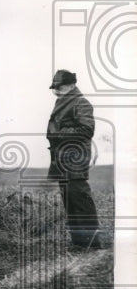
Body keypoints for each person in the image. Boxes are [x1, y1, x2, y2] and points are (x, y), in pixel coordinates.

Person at [47, 69, 102, 249]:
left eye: (59, 87)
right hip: (62, 160)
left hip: (74, 159)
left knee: (80, 200)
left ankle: (93, 243)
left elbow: (87, 130)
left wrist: (59, 135)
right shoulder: (64, 101)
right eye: (54, 87)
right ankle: (79, 242)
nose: (55, 90)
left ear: (71, 85)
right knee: (69, 201)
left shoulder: (81, 102)